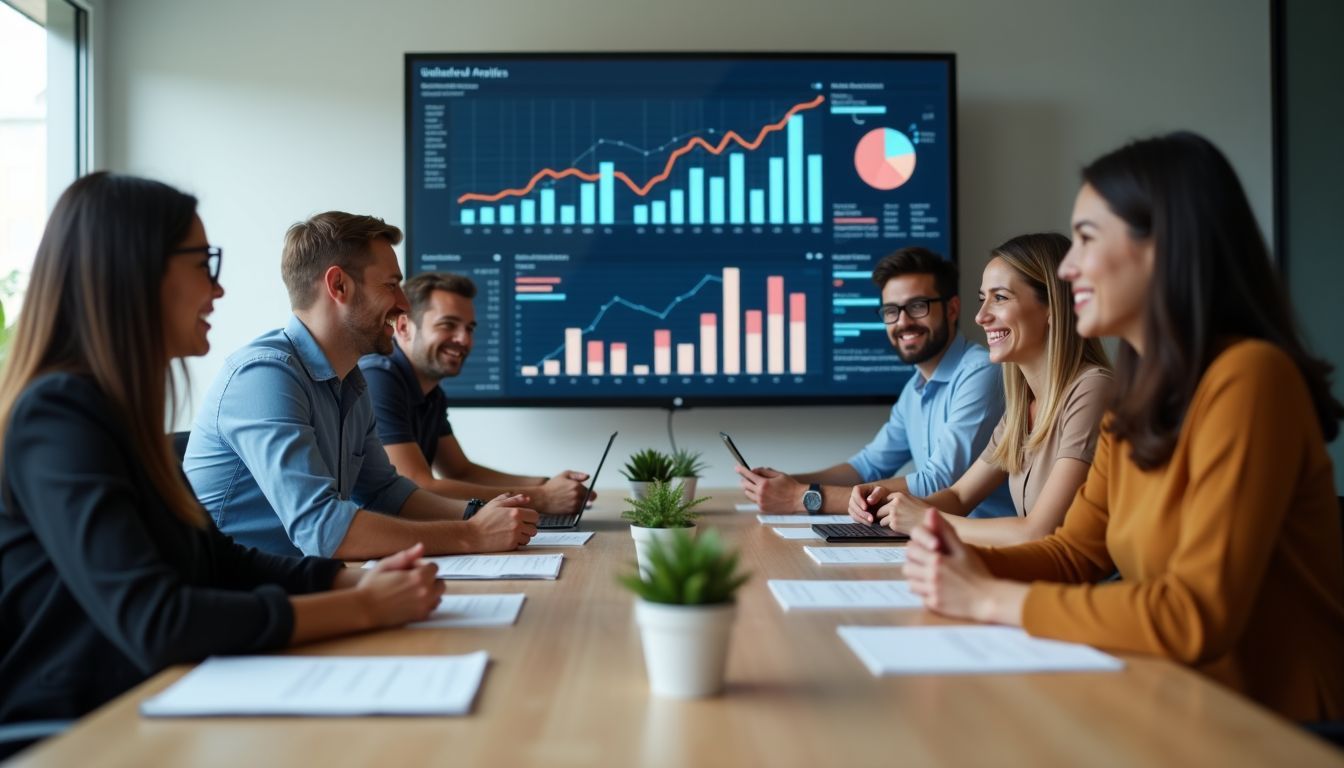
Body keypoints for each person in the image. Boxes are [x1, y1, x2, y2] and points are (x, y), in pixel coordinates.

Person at [902, 132, 1344, 721]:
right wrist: (959, 558)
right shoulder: (1138, 400)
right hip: (1181, 703)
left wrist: (988, 598)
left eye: (1086, 237)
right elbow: (1071, 556)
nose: (1068, 266)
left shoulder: (1250, 378)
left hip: (1278, 727)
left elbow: (1194, 615)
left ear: (1164, 246)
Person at [0, 174, 445, 748]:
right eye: (202, 263)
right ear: (133, 271)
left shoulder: (115, 413)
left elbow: (219, 561)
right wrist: (361, 607)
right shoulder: (56, 417)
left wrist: (354, 578)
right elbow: (158, 622)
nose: (219, 291)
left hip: (161, 700)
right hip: (82, 732)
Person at [184, 212, 536, 560]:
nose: (403, 304)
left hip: (302, 584)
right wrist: (471, 534)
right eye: (391, 284)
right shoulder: (263, 377)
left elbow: (386, 492)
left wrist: (477, 516)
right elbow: (322, 529)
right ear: (338, 285)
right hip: (236, 599)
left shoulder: (351, 382)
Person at [850, 234, 1111, 545]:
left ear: (1052, 307)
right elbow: (959, 497)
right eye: (982, 298)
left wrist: (925, 520)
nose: (980, 316)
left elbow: (1040, 532)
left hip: (1087, 590)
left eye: (999, 298)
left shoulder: (1092, 390)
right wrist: (888, 505)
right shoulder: (1022, 408)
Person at [737, 247, 1014, 517]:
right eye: (891, 311)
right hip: (937, 543)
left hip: (987, 548)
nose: (902, 322)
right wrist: (789, 485)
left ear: (952, 309)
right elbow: (867, 466)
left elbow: (938, 483)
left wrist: (801, 498)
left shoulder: (981, 373)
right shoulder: (914, 390)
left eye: (917, 306)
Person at [358, 272, 593, 514]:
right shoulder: (378, 378)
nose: (464, 339)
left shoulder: (430, 392)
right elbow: (417, 486)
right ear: (404, 327)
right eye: (448, 325)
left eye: (469, 328)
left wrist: (547, 484)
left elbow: (461, 471)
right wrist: (541, 498)